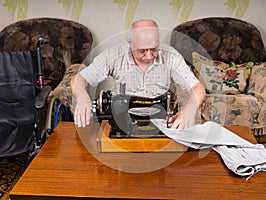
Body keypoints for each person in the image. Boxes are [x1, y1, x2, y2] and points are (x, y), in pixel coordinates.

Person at [70, 19, 206, 129]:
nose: (149, 56)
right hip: (124, 119)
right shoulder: (114, 55)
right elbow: (78, 79)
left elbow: (197, 88)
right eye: (142, 51)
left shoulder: (170, 56)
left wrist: (190, 108)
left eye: (154, 49)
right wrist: (82, 97)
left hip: (160, 120)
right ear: (130, 43)